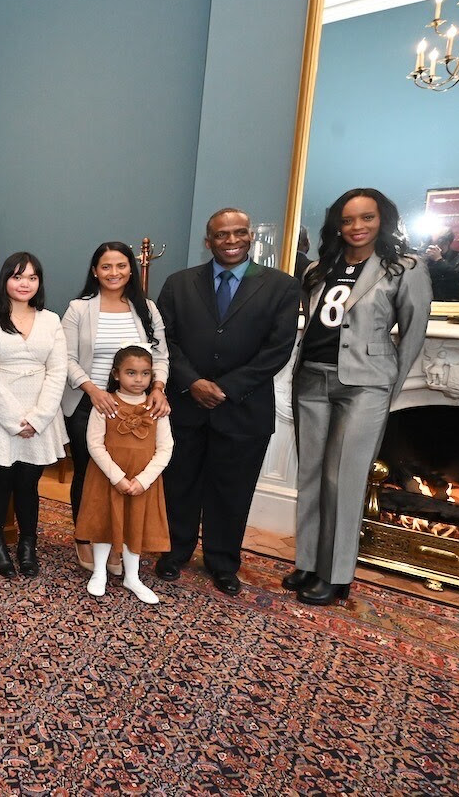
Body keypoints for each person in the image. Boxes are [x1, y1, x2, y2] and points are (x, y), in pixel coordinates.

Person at [285, 188, 432, 605]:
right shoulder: (319, 267)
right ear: (337, 224)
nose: (357, 227)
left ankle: (337, 574)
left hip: (365, 385)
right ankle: (309, 562)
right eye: (348, 220)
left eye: (366, 218)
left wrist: (390, 386)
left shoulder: (404, 268)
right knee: (311, 474)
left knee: (343, 478)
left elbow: (413, 333)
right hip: (311, 379)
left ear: (382, 219)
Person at [155, 207, 300, 594]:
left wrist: (228, 387)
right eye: (222, 234)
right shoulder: (178, 283)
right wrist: (193, 382)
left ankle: (222, 562)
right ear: (209, 241)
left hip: (243, 409)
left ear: (250, 236)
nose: (231, 240)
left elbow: (278, 349)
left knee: (232, 491)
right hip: (186, 405)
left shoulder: (281, 286)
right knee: (180, 484)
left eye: (239, 233)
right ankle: (174, 551)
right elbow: (165, 340)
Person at [60, 242, 169, 577]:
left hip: (135, 406)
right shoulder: (79, 309)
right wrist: (92, 390)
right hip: (88, 402)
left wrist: (158, 388)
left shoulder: (147, 308)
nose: (114, 273)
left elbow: (161, 356)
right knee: (89, 473)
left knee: (128, 473)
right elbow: (65, 357)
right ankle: (85, 536)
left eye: (121, 266)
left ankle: (119, 541)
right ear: (95, 271)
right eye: (106, 266)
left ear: (130, 269)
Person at [0, 252, 67, 578]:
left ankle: (27, 545)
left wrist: (37, 418)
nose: (25, 283)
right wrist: (12, 420)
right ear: (5, 280)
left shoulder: (51, 320)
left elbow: (58, 371)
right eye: (18, 276)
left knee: (28, 484)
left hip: (40, 415)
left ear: (39, 283)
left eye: (32, 277)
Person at [75, 345, 174, 604]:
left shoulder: (156, 407)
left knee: (135, 525)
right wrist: (117, 477)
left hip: (142, 480)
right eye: (131, 373)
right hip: (108, 477)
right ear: (116, 374)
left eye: (145, 374)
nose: (139, 379)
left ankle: (133, 576)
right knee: (105, 522)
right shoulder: (105, 404)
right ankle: (99, 573)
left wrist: (142, 480)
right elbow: (94, 443)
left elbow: (166, 447)